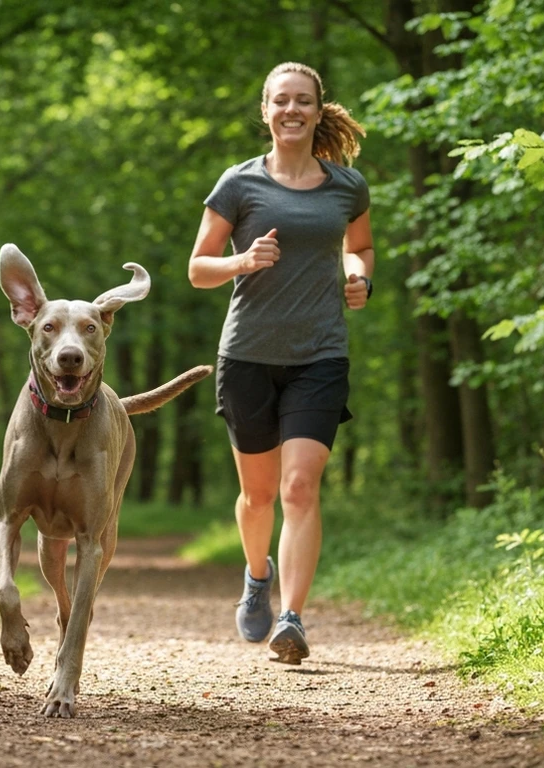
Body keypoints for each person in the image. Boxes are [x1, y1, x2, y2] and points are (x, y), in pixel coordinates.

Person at [186, 61, 372, 664]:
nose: (292, 109)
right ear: (266, 111)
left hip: (321, 354)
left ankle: (291, 617)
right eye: (281, 100)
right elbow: (197, 269)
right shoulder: (238, 184)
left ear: (318, 110)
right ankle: (257, 575)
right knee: (259, 496)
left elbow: (361, 246)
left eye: (303, 100)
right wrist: (242, 262)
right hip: (247, 356)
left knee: (299, 486)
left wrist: (359, 277)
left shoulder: (347, 186)